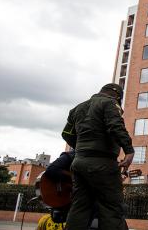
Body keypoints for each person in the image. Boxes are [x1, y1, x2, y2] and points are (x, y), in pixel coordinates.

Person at [61, 83, 134, 230]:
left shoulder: (77, 108)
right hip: (103, 163)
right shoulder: (110, 103)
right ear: (117, 97)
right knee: (111, 208)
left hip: (79, 163)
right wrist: (129, 150)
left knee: (79, 207)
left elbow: (66, 134)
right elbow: (116, 126)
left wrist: (82, 149)